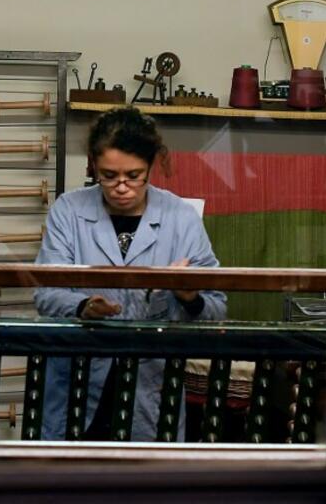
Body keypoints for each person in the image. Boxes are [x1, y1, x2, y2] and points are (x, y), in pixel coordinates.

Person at [34, 106, 227, 441]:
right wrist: (82, 307)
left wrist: (189, 296)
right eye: (108, 176)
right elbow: (45, 293)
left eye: (134, 176)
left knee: (146, 487)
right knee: (68, 484)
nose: (121, 187)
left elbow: (217, 307)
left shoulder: (180, 217)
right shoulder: (69, 210)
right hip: (77, 381)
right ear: (93, 165)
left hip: (151, 385)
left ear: (152, 165)